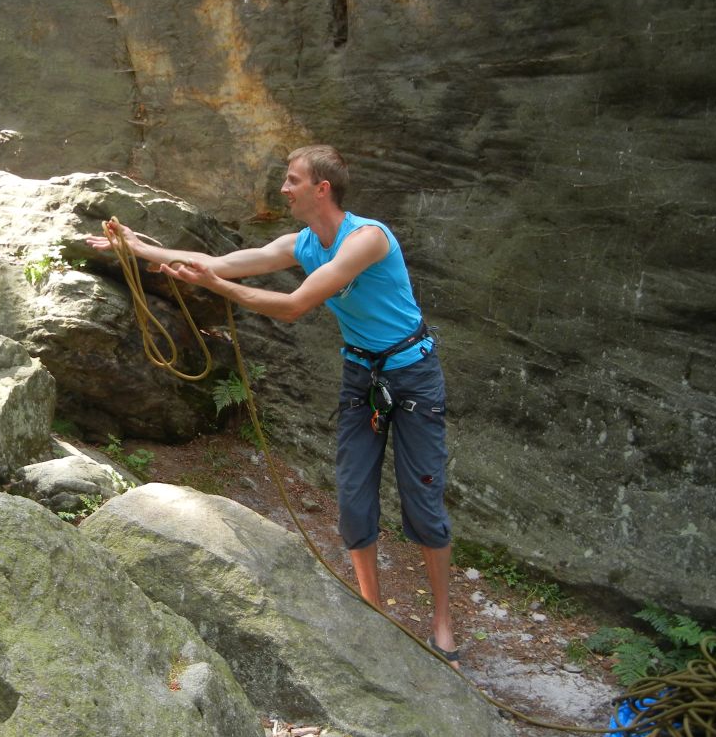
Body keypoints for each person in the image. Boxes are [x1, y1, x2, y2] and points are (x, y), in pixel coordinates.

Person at [87, 144, 458, 665]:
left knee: (423, 500)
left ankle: (442, 618)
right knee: (353, 496)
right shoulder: (303, 243)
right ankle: (372, 611)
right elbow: (218, 263)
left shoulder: (366, 240)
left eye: (292, 180)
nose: (283, 189)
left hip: (413, 375)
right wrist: (135, 248)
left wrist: (219, 288)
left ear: (321, 189)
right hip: (363, 375)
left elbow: (292, 306)